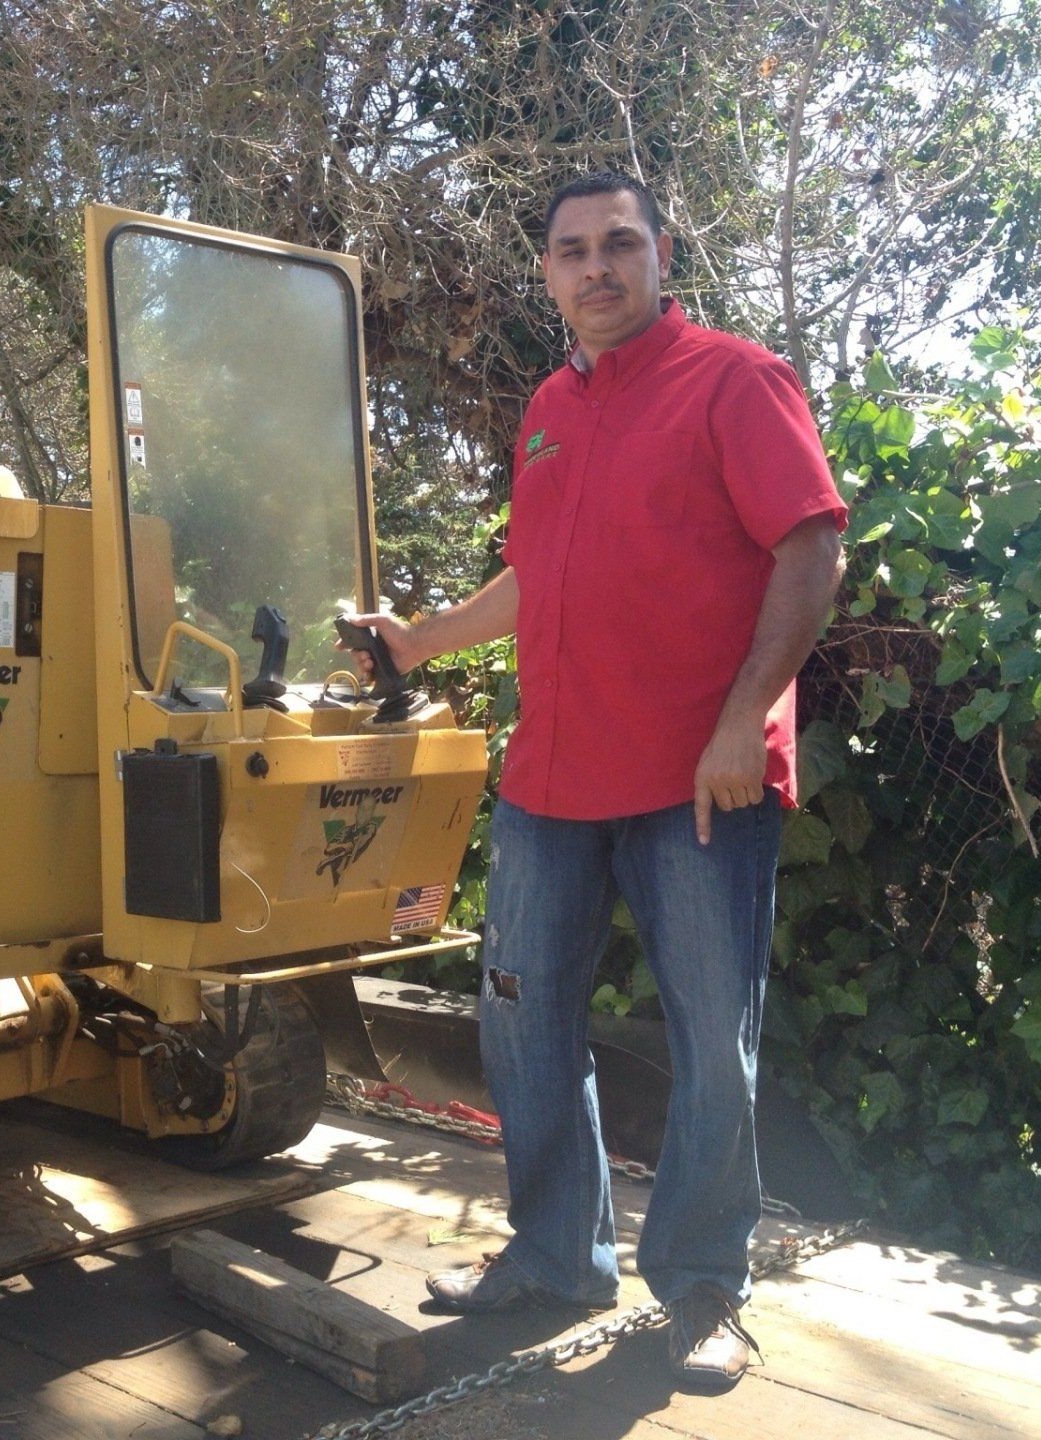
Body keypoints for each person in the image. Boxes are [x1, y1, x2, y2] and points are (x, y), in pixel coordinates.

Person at [345, 172, 846, 1390]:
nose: (597, 268)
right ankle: (560, 1254)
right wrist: (419, 642)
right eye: (572, 251)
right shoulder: (550, 407)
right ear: (551, 271)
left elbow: (812, 542)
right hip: (550, 785)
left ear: (661, 252)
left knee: (709, 1044)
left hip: (700, 787)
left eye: (620, 244)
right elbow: (539, 574)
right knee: (522, 1027)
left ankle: (703, 1289)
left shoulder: (738, 380)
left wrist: (742, 724)